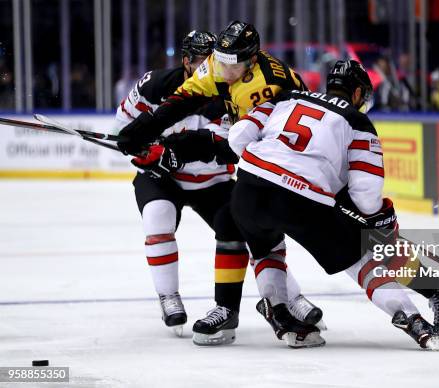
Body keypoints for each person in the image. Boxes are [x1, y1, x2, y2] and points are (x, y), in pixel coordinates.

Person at [226, 60, 439, 350]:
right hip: (302, 200)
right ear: (356, 93)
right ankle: (416, 323)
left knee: (266, 250)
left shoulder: (285, 98)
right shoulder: (357, 121)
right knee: (362, 256)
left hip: (248, 190)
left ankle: (280, 314)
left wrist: (272, 161)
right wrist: (377, 215)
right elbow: (366, 198)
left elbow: (237, 137)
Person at [115, 24, 323, 345]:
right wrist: (143, 136)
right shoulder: (214, 69)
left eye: (229, 64)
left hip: (289, 173)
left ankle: (286, 301)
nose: (219, 70)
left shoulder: (262, 87)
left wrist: (184, 148)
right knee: (225, 222)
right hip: (173, 179)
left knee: (261, 229)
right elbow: (176, 104)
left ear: (251, 60)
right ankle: (219, 308)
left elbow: (237, 147)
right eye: (213, 60)